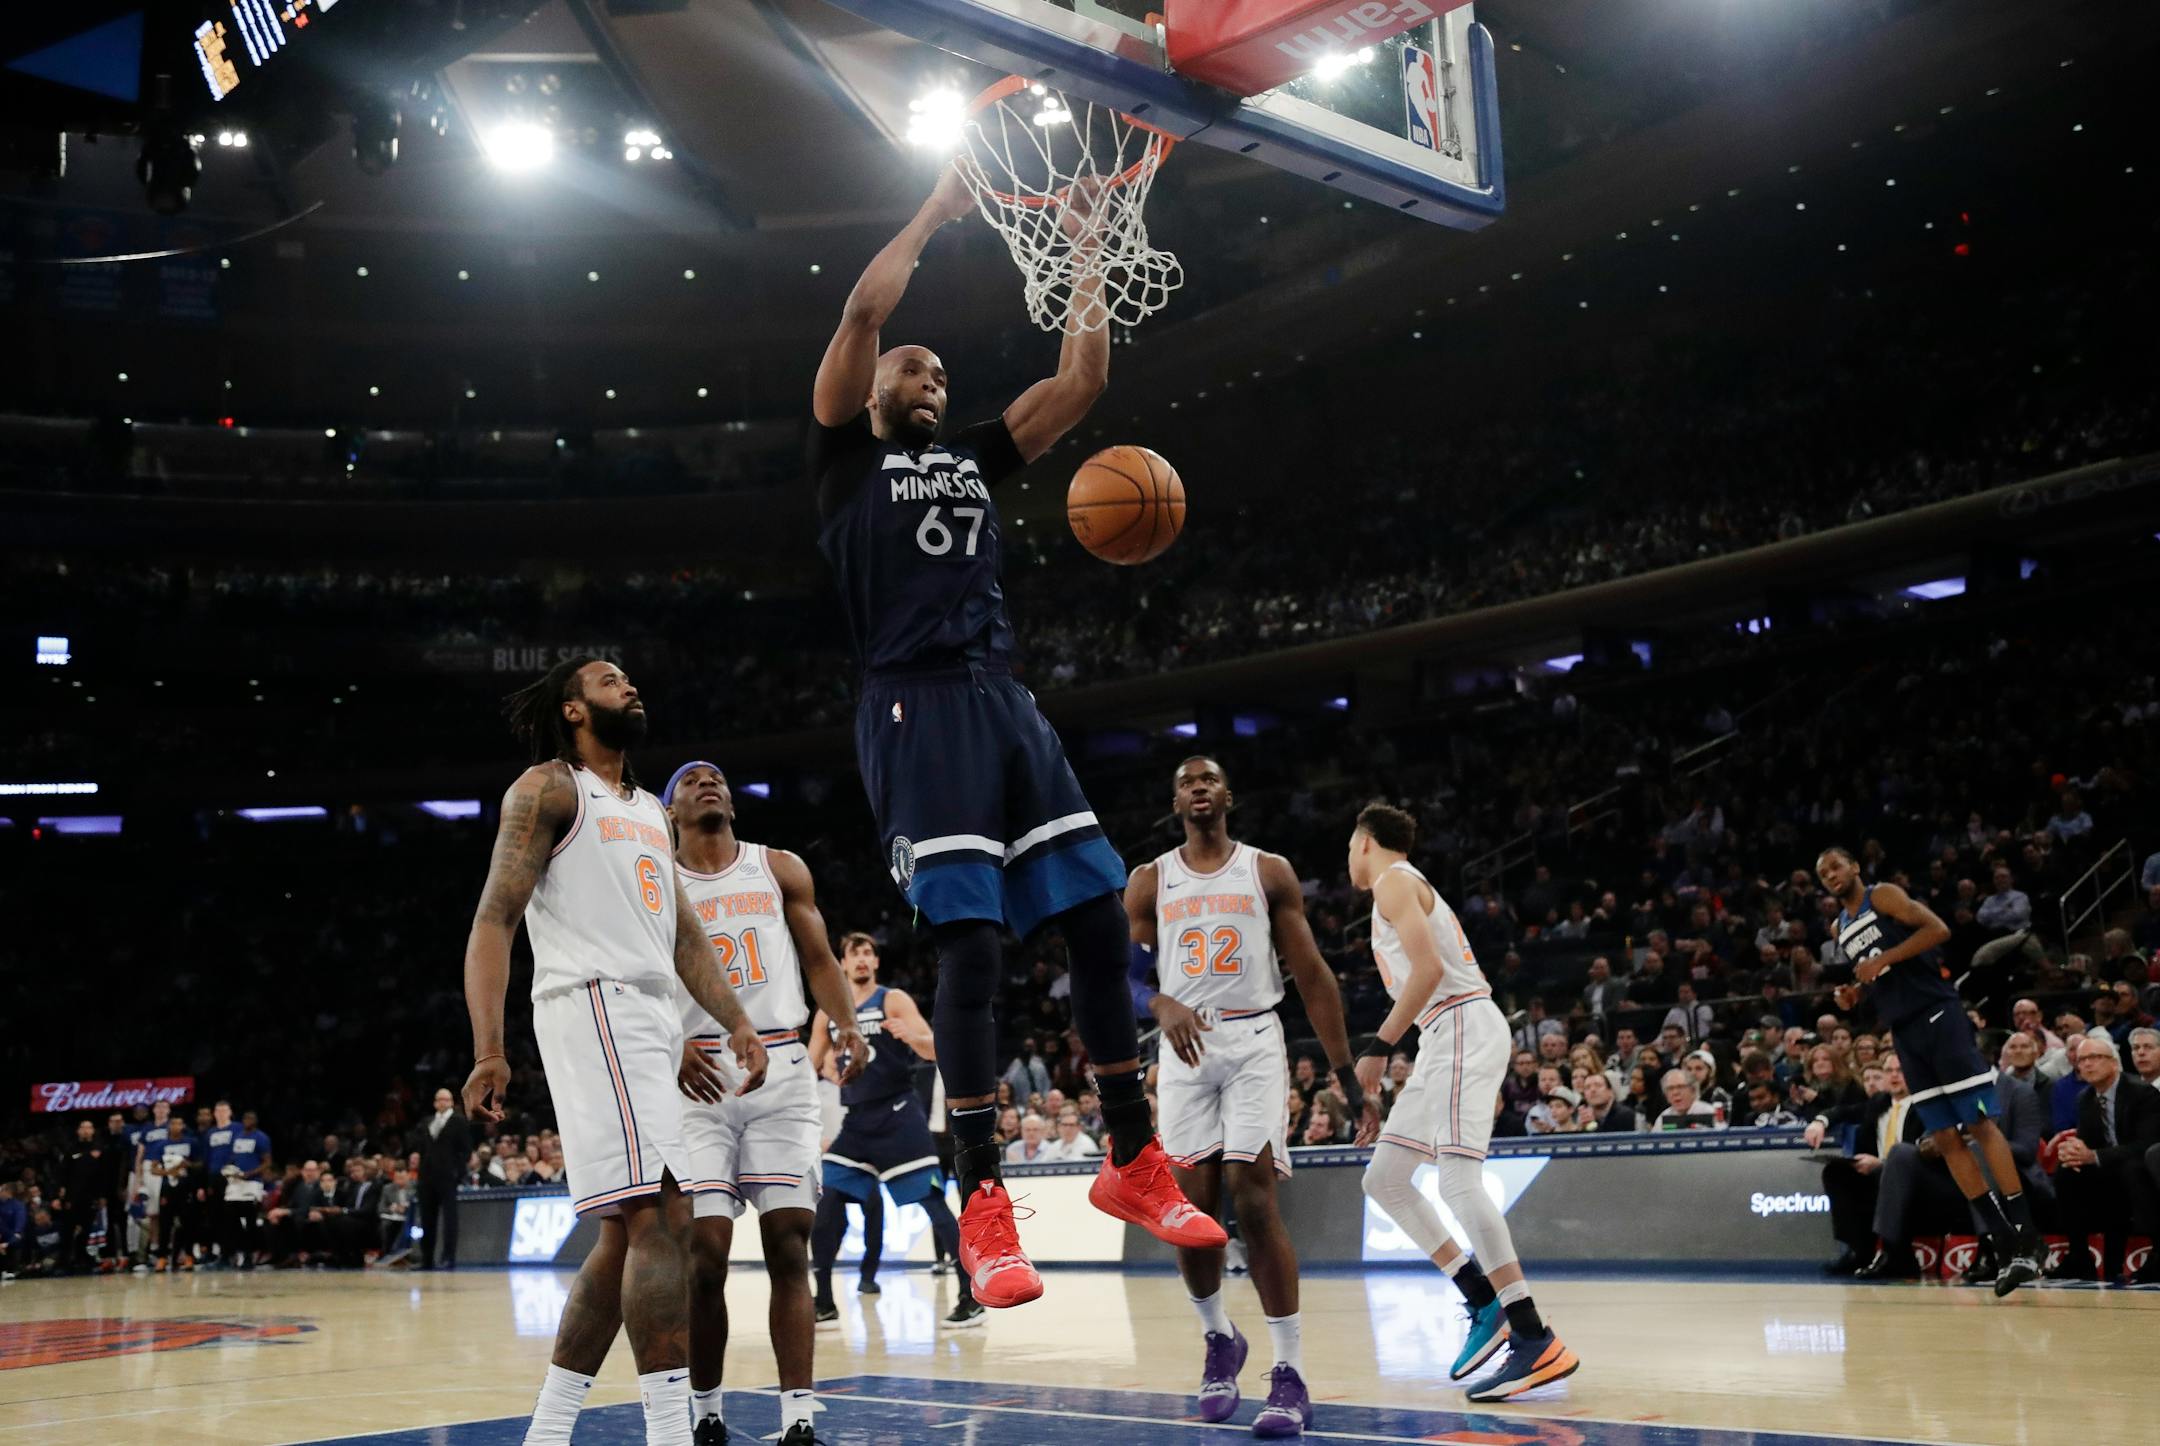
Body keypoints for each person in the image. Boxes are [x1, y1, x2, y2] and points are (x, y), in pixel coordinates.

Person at [808, 164, 1218, 1306]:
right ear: (875, 388)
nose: (930, 377)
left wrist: (1086, 243)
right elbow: (863, 312)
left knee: (1094, 923)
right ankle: (982, 1201)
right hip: (910, 706)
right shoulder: (845, 463)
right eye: (914, 368)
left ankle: (1132, 1158)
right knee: (976, 952)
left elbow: (1081, 377)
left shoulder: (980, 455)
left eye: (942, 372)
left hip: (1003, 698)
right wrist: (938, 211)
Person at [462, 658, 768, 1446]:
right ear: (572, 708)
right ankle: (669, 1431)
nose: (630, 686)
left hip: (646, 1010)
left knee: (622, 1229)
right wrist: (489, 1049)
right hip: (593, 1001)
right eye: (609, 680)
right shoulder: (550, 788)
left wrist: (734, 1018)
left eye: (633, 678)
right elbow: (495, 918)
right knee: (662, 1214)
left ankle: (549, 1429)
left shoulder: (646, 808)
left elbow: (683, 933)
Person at [1125, 756, 1373, 1436]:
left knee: (1254, 1194)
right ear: (1175, 800)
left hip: (1255, 1039)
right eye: (1185, 781)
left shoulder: (1267, 870)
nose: (1198, 788)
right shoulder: (1150, 880)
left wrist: (1346, 1077)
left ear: (1227, 795)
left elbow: (1314, 974)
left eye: (1208, 779)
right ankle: (1217, 1339)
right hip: (1183, 1050)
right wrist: (1158, 1000)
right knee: (1192, 1211)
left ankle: (1289, 1373)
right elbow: (1126, 974)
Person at [659, 761, 867, 1446]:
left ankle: (798, 1420)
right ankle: (706, 1412)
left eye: (716, 778)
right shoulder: (657, 882)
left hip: (779, 1067)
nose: (708, 783)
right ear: (670, 812)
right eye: (690, 781)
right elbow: (639, 982)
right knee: (705, 1253)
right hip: (698, 1077)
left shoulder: (777, 867)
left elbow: (817, 961)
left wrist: (845, 1025)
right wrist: (668, 1044)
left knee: (789, 1244)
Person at [1349, 803, 1578, 1404]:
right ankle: (1482, 1298)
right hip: (1440, 1034)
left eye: (1351, 846)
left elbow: (1426, 971)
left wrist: (1377, 1047)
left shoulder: (1394, 880)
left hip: (1458, 1024)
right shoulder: (1397, 890)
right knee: (1386, 1179)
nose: (1349, 859)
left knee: (1457, 1183)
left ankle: (1532, 1334)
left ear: (1365, 841)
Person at [1816, 846, 2043, 1295]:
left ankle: (2028, 1239)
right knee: (1943, 1136)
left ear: (1855, 867)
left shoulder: (1881, 897)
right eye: (1823, 873)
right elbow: (1875, 974)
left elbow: (1936, 930)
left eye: (1836, 866)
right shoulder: (1839, 927)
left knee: (1977, 1123)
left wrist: (1887, 959)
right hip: (1903, 1029)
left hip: (1937, 1015)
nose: (1831, 876)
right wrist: (1854, 996)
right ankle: (2003, 1244)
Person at [808, 932, 979, 1330]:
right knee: (827, 1200)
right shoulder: (827, 1013)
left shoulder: (893, 999)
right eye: (855, 953)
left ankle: (970, 1296)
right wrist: (828, 1070)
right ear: (843, 964)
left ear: (877, 963)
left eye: (870, 952)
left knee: (934, 1205)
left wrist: (912, 1036)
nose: (863, 959)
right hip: (856, 1122)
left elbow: (935, 1047)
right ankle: (824, 1301)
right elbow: (811, 1066)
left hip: (899, 1114)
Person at [2047, 1034, 2160, 1283]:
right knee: (2067, 1172)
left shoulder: (2143, 1094)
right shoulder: (2084, 1099)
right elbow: (2088, 1145)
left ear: (2114, 1063)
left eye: (2095, 1058)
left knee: (2132, 1169)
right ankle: (2079, 1256)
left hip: (2140, 1169)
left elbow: (2146, 1145)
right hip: (2108, 1171)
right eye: (2082, 1059)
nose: (2087, 1064)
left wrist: (2093, 1155)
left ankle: (2157, 1254)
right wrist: (2074, 1153)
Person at [415, 1088, 470, 1271]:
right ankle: (427, 1259)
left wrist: (458, 1173)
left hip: (448, 1177)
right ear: (434, 1102)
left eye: (446, 1100)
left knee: (449, 1220)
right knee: (427, 1219)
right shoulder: (427, 1122)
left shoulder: (459, 1121)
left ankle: (448, 1258)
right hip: (427, 1178)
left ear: (452, 1102)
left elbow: (465, 1150)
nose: (442, 1103)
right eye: (439, 1100)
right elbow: (422, 1149)